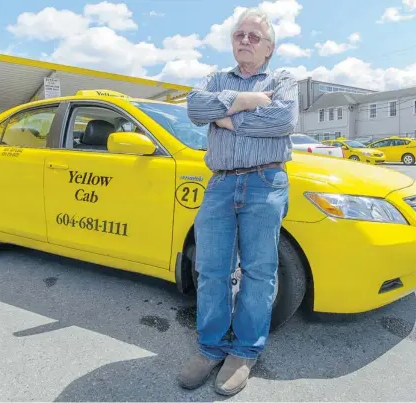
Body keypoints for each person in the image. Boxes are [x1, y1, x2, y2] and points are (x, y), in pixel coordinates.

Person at [178, 7, 298, 396]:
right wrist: (247, 99)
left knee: (260, 271)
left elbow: (282, 121)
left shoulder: (282, 78)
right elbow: (196, 108)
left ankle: (245, 351)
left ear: (269, 48)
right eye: (238, 35)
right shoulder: (214, 78)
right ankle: (210, 347)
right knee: (211, 268)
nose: (244, 40)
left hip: (266, 182)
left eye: (254, 36)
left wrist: (227, 116)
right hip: (221, 185)